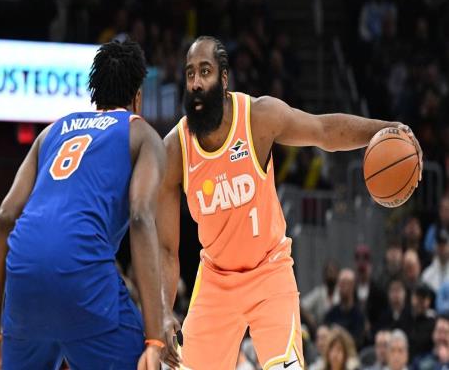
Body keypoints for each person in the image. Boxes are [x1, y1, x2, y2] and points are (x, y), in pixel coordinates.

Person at [157, 35, 423, 370]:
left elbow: (323, 130)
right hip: (216, 278)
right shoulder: (175, 149)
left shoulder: (257, 117)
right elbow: (166, 248)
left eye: (205, 71)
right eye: (190, 73)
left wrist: (387, 129)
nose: (196, 82)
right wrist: (163, 312)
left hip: (269, 271)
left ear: (224, 79)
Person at [0, 40, 166, 370]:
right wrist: (154, 339)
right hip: (82, 271)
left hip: (23, 276)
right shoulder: (141, 134)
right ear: (138, 97)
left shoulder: (51, 132)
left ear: (95, 93)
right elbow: (139, 216)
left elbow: (5, 217)